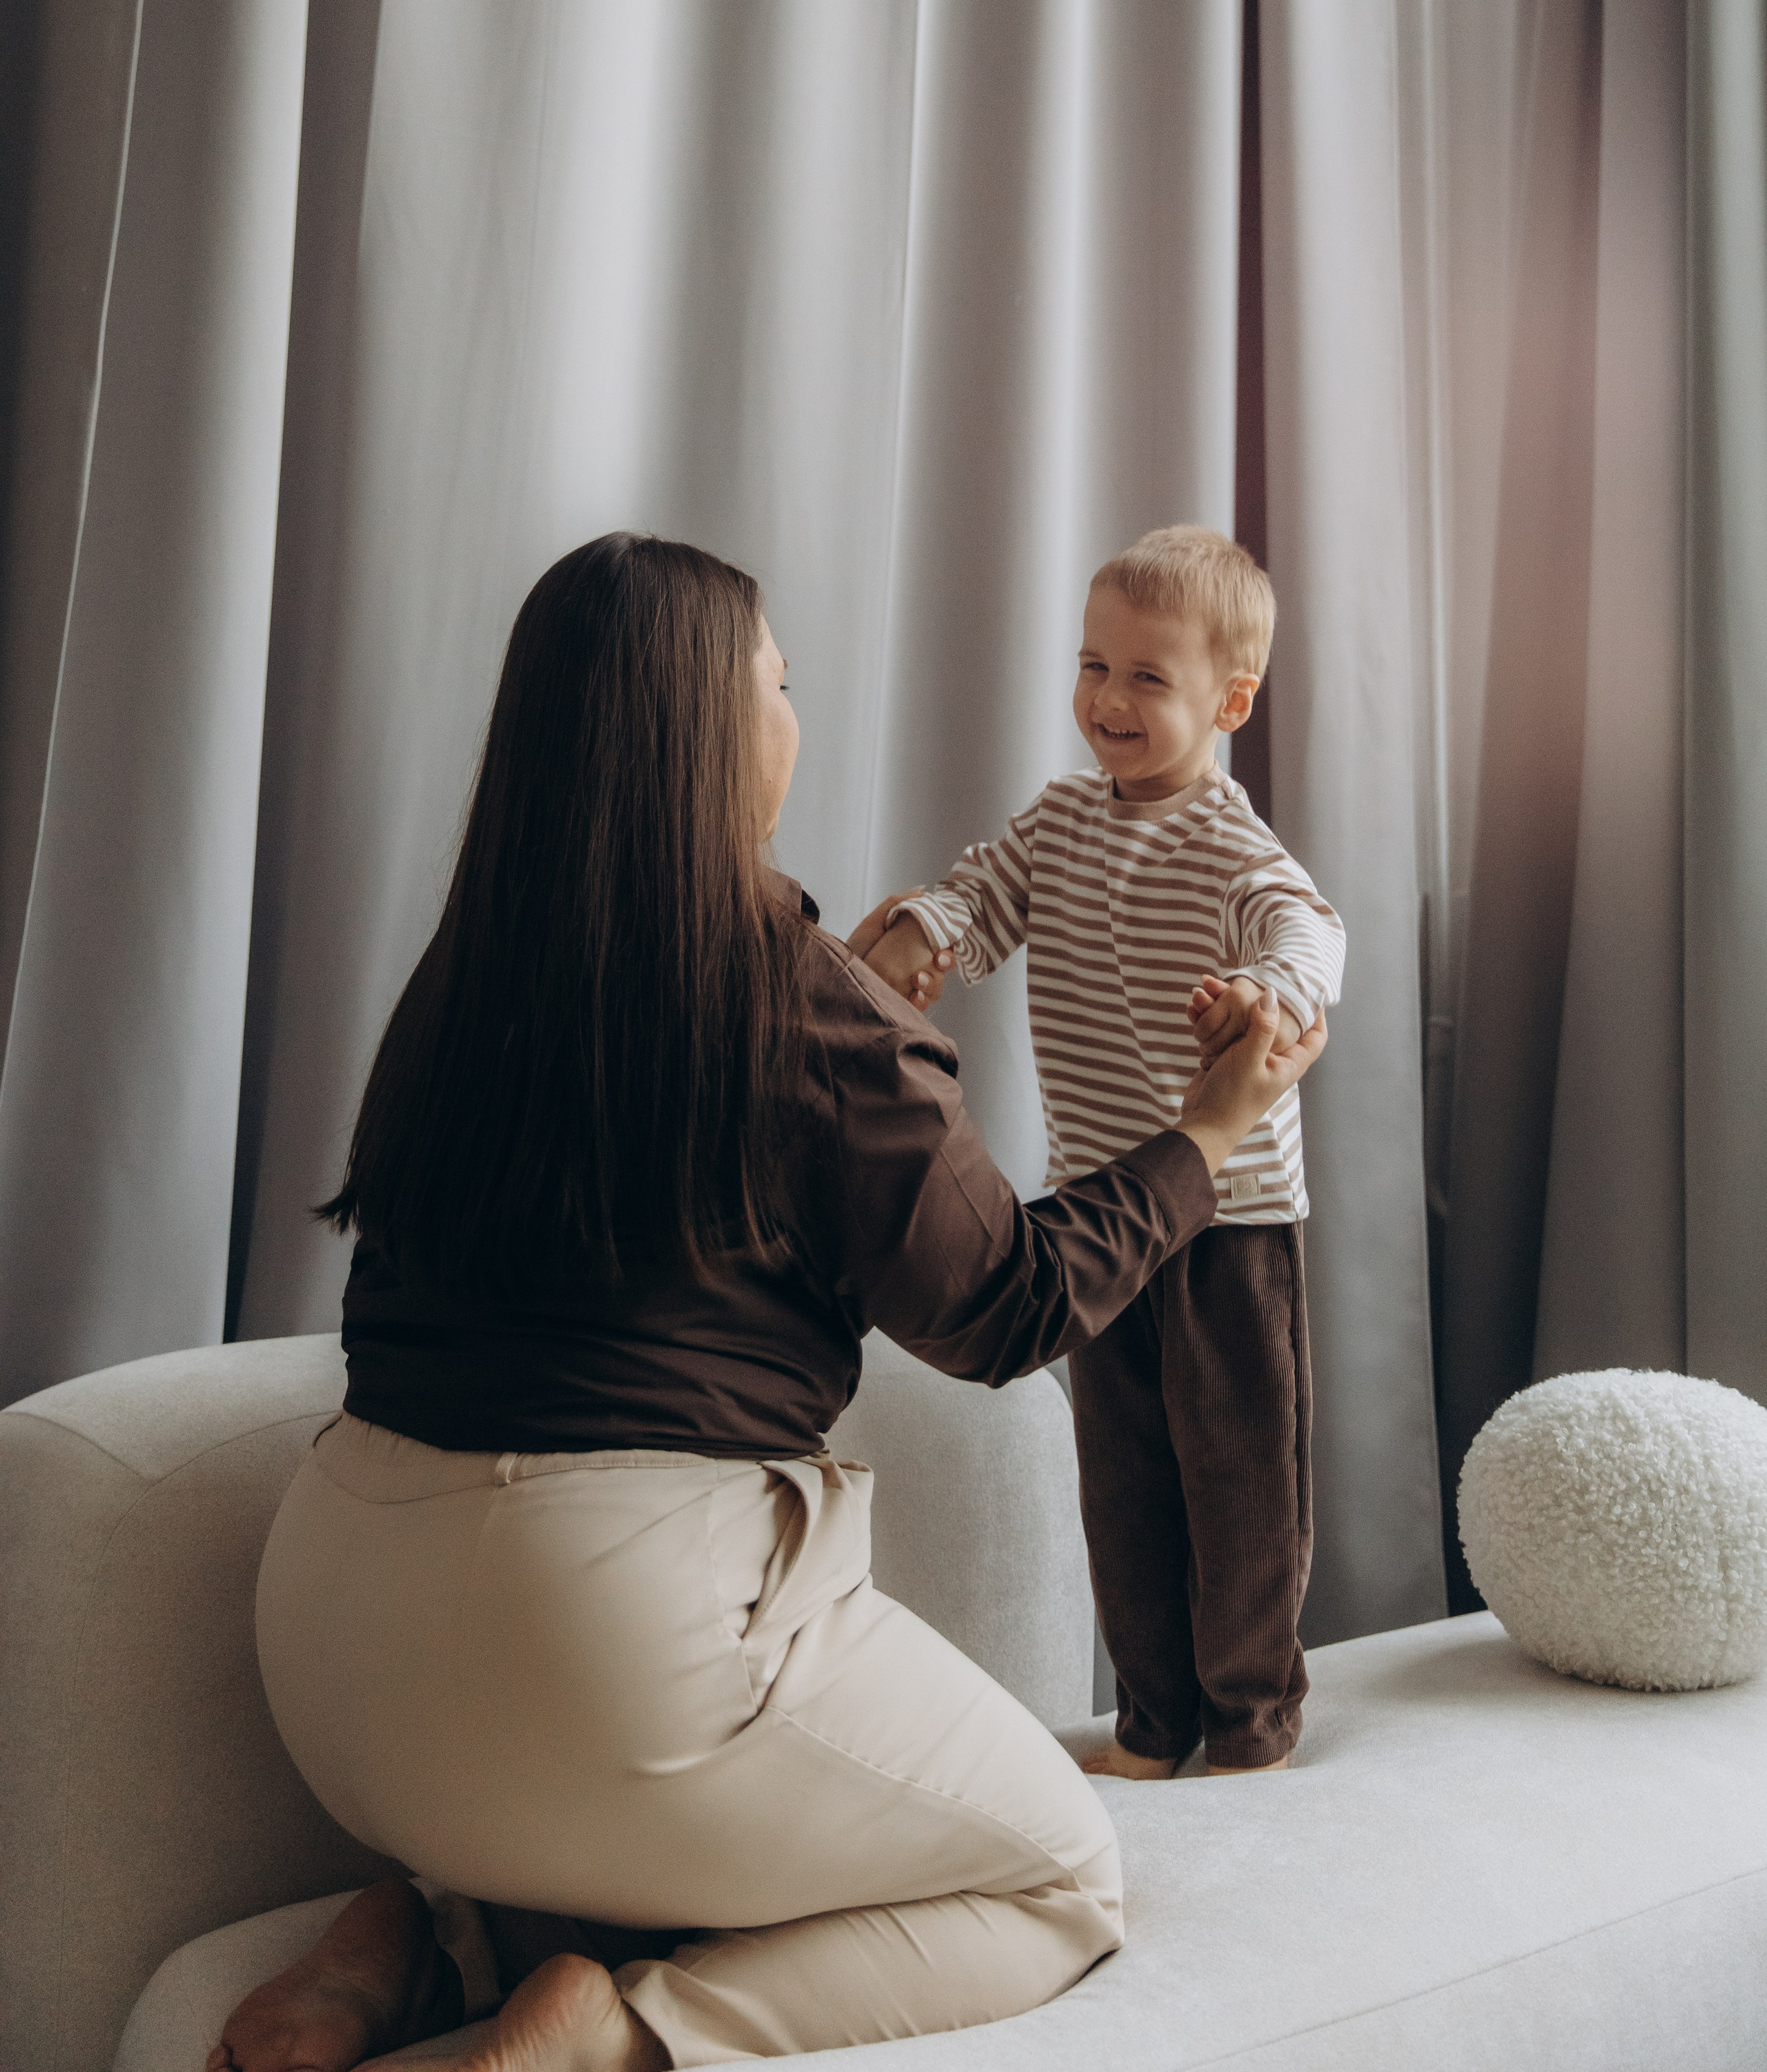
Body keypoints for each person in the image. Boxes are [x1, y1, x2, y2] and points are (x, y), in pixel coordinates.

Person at [213, 531, 1326, 2072]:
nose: (793, 714)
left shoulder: (462, 980)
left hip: (336, 1658)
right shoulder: (800, 1004)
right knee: (1059, 1876)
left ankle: (423, 1931)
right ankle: (621, 2024)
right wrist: (1202, 1138)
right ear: (705, 732)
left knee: (591, 1795)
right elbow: (1002, 1308)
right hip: (598, 1645)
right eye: (779, 685)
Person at [861, 527, 1344, 1779]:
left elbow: (1308, 929)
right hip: (1104, 1212)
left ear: (1230, 702)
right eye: (1093, 664)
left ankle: (1248, 1723)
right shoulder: (1063, 820)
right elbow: (983, 895)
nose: (1107, 701)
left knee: (1240, 1480)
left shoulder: (1232, 849)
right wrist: (927, 928)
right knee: (1124, 1475)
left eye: (1147, 678)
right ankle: (1153, 1718)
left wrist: (1265, 997)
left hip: (1231, 1219)